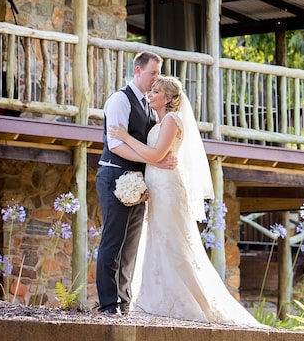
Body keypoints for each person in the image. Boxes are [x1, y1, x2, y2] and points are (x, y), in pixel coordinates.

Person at [108, 75, 265, 327]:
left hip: (169, 189)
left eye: (156, 91)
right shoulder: (157, 122)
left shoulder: (172, 120)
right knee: (156, 241)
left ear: (169, 98)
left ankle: (184, 302)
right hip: (156, 187)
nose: (150, 94)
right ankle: (153, 301)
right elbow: (156, 155)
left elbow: (157, 153)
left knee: (171, 241)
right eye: (151, 90)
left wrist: (124, 137)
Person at [95, 51, 176, 315]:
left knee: (130, 247)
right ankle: (108, 304)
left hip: (139, 184)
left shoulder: (148, 105)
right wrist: (153, 161)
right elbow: (116, 145)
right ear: (138, 71)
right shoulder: (120, 99)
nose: (156, 79)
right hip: (115, 176)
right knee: (113, 241)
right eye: (153, 73)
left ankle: (124, 303)